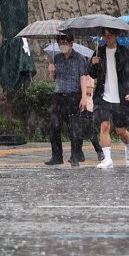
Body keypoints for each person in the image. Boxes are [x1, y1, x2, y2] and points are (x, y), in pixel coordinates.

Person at [89, 28, 129, 169]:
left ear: (116, 35)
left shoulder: (125, 53)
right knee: (105, 125)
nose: (107, 38)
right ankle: (107, 159)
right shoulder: (98, 52)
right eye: (104, 35)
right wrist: (93, 63)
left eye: (110, 35)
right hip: (104, 96)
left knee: (121, 130)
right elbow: (92, 74)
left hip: (120, 97)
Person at [46, 34, 94, 167]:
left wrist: (84, 97)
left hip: (74, 95)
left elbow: (83, 77)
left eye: (65, 42)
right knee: (53, 125)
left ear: (71, 43)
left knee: (74, 127)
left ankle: (75, 155)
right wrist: (51, 72)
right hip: (58, 95)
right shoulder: (57, 58)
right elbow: (53, 79)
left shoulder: (79, 58)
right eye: (61, 42)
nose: (63, 44)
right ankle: (57, 156)